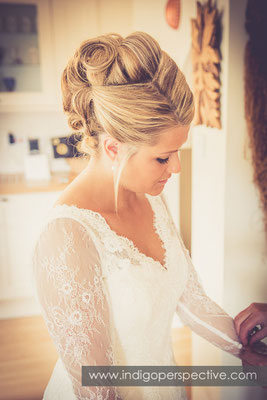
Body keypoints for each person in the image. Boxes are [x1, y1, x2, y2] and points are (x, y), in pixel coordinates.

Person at [32, 32, 266, 400]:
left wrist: (247, 349)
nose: (176, 168)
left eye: (178, 152)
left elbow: (191, 301)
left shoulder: (151, 199)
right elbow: (96, 387)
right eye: (163, 156)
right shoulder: (66, 235)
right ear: (113, 147)